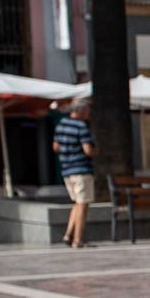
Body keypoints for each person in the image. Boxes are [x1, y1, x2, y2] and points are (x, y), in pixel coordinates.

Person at [53, 100, 96, 249]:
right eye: (87, 110)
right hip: (81, 169)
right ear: (81, 110)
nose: (89, 113)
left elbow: (55, 147)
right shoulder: (81, 126)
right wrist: (96, 151)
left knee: (77, 202)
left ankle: (68, 234)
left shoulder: (61, 124)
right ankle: (77, 239)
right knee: (83, 204)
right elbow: (88, 150)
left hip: (66, 170)